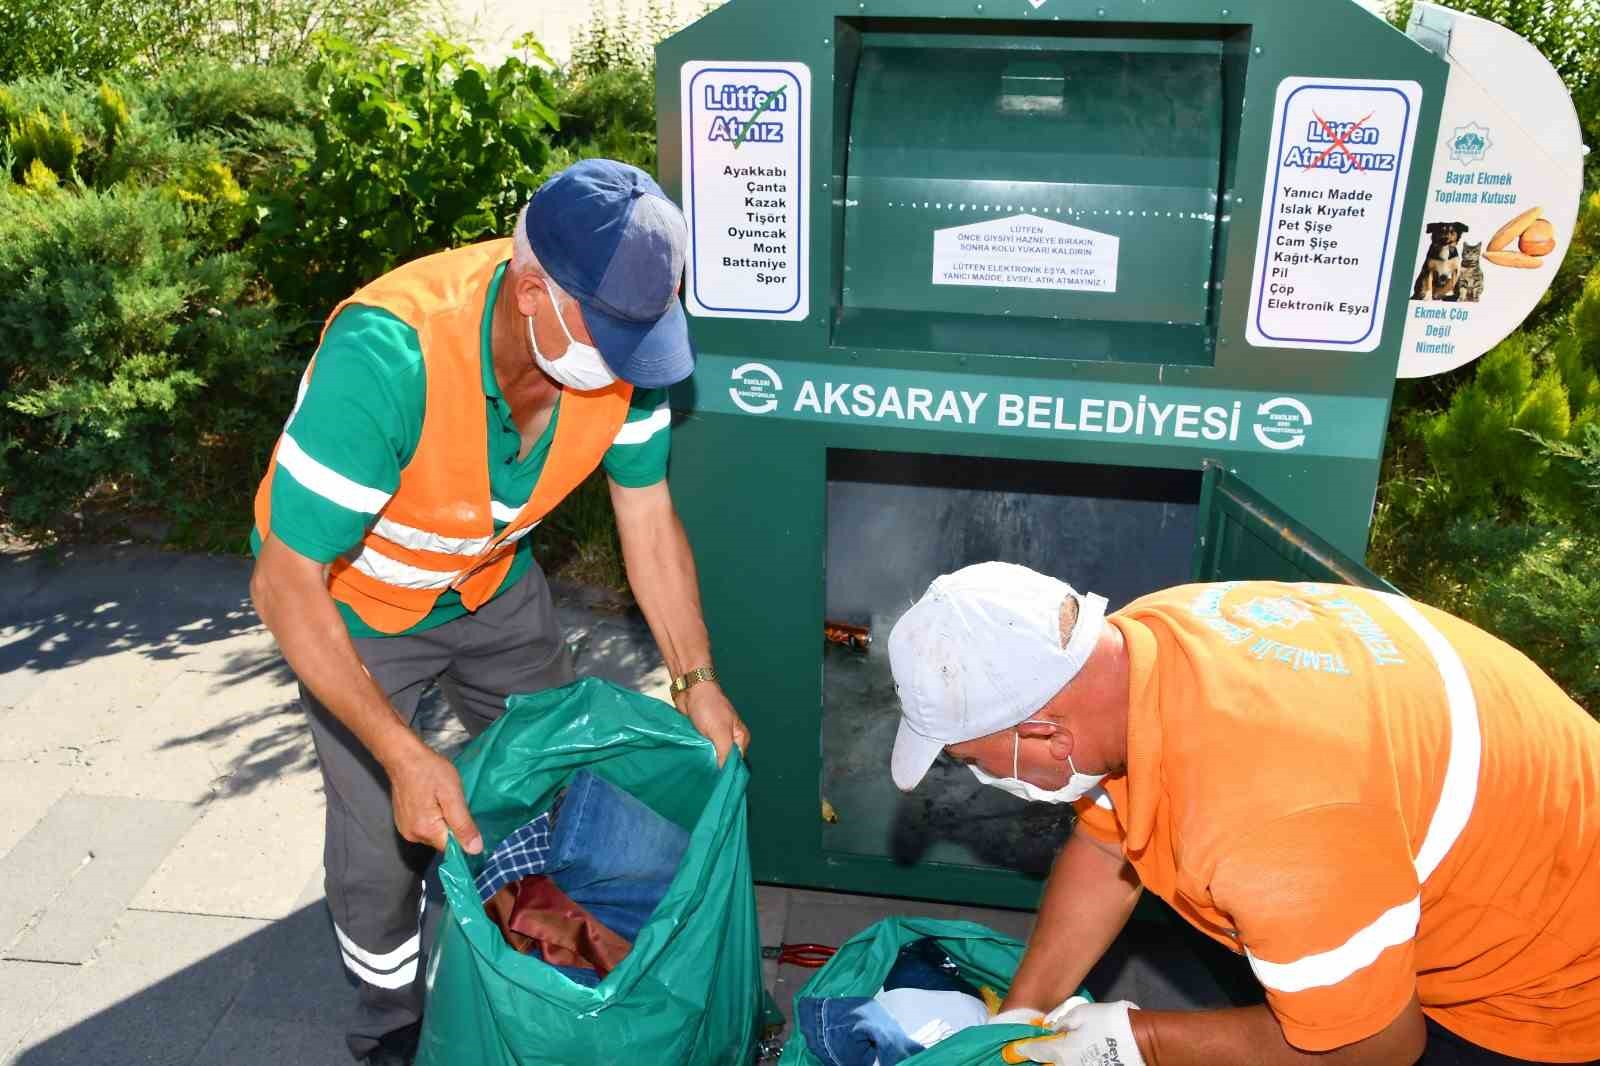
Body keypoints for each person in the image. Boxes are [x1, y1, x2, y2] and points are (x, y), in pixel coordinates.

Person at [249, 159, 748, 1065]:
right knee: (380, 845)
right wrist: (402, 755)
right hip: (353, 610)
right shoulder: (393, 356)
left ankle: (533, 932)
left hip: (490, 581)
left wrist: (697, 678)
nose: (629, 366)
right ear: (529, 292)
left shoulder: (624, 363)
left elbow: (646, 516)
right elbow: (285, 583)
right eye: (610, 335)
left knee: (554, 772)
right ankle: (390, 1017)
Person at [887, 562, 1600, 1066]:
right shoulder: (1148, 640)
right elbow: (1110, 845)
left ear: (1047, 732)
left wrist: (1141, 1044)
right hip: (1504, 831)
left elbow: (1376, 1045)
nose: (978, 776)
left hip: (1549, 982)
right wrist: (1025, 1009)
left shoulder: (1267, 828)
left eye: (976, 758)